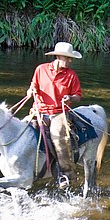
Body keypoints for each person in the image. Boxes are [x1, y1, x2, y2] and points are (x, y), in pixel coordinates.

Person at [26, 42, 83, 189]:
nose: (70, 61)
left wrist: (70, 98)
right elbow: (33, 86)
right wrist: (30, 91)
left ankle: (67, 174)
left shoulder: (71, 75)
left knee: (59, 139)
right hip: (38, 111)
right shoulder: (41, 69)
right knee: (20, 130)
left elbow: (78, 95)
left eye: (71, 58)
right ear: (58, 56)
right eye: (68, 58)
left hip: (58, 113)